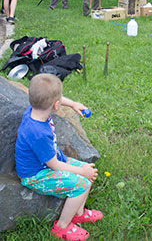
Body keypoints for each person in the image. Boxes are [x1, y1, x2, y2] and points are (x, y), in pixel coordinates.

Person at [15, 73, 103, 240]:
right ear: (55, 105)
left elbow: (55, 98)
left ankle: (78, 213)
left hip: (51, 163)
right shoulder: (37, 133)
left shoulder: (34, 108)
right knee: (82, 182)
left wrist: (73, 104)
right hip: (36, 175)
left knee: (87, 171)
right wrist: (81, 172)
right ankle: (61, 227)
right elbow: (54, 165)